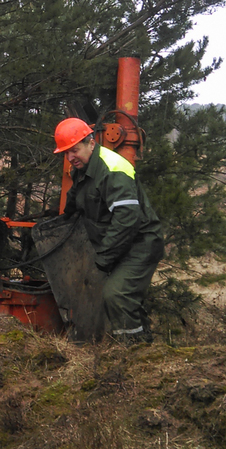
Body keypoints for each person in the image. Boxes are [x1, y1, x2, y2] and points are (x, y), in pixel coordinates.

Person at [53, 117, 164, 344]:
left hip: (140, 244)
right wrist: (64, 218)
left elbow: (127, 219)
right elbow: (77, 197)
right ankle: (145, 350)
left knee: (117, 295)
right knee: (125, 300)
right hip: (120, 245)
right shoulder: (83, 168)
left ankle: (132, 355)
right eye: (66, 153)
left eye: (74, 150)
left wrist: (104, 257)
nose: (70, 157)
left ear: (90, 143)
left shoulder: (113, 169)